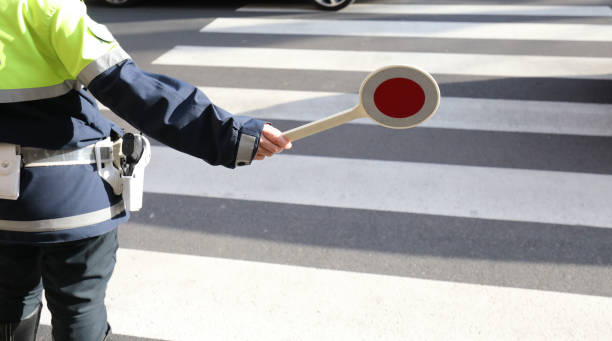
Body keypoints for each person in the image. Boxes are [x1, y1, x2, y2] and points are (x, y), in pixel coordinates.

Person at [0, 0, 293, 340]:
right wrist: (232, 136)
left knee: (8, 303)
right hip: (72, 202)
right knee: (79, 307)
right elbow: (132, 89)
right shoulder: (43, 8)